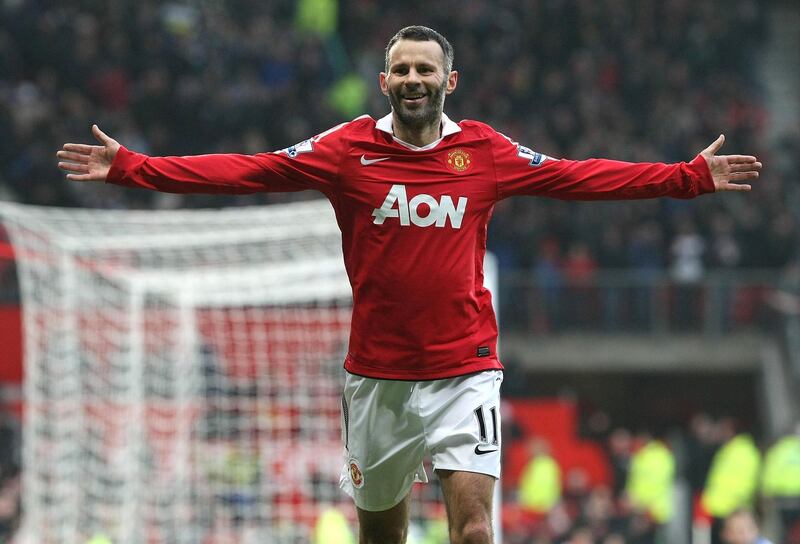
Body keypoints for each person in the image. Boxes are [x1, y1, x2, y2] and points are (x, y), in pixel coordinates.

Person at [57, 25, 761, 544]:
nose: (414, 79)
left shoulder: (483, 151)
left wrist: (686, 178)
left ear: (448, 81)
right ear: (386, 82)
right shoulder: (345, 150)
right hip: (378, 378)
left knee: (475, 529)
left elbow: (577, 176)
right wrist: (134, 168)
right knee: (382, 537)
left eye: (427, 68)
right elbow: (251, 168)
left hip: (466, 369)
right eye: (402, 70)